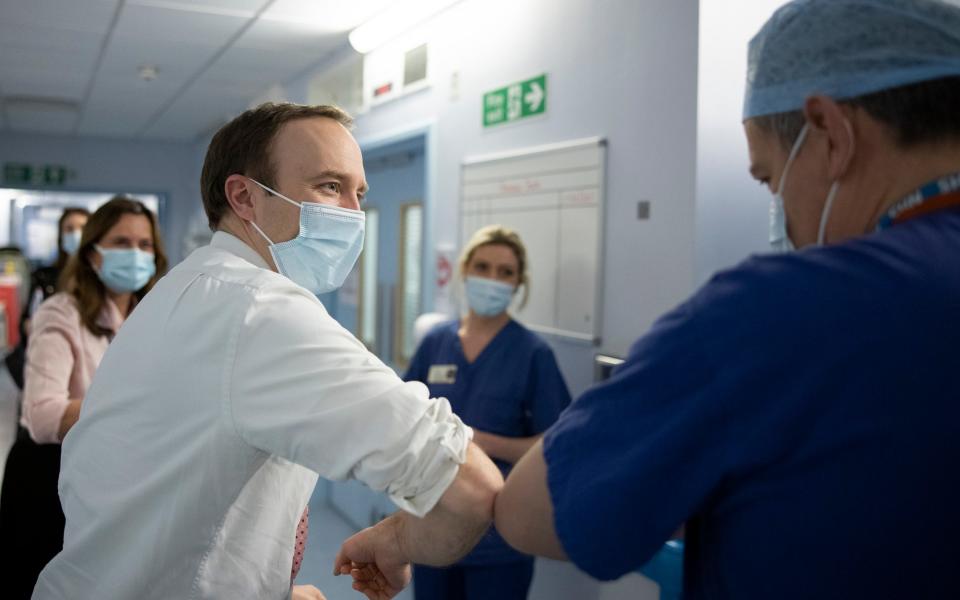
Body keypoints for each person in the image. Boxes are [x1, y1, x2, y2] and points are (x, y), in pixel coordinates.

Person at [494, 1, 960, 599]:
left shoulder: (778, 311)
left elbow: (532, 511)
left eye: (769, 179)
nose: (786, 221)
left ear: (830, 133)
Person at [33, 103, 503, 600]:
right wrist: (397, 538)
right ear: (244, 197)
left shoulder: (182, 291)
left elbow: (166, 497)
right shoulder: (261, 312)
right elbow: (469, 491)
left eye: (359, 193)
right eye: (329, 187)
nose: (353, 215)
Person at [0, 198, 165, 599]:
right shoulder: (62, 312)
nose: (135, 254)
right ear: (93, 253)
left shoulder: (152, 316)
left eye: (144, 245)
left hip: (111, 473)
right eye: (122, 242)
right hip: (48, 473)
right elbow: (42, 415)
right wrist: (133, 410)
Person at [404, 225, 571, 600]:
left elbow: (555, 442)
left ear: (518, 283)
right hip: (430, 520)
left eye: (505, 272)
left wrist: (475, 439)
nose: (492, 279)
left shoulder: (533, 353)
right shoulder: (436, 342)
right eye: (482, 266)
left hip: (499, 533)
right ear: (465, 271)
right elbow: (405, 412)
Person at [3, 207, 89, 391]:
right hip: (46, 365)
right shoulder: (45, 277)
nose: (76, 234)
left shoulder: (101, 280)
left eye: (82, 228)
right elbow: (24, 322)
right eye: (69, 229)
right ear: (60, 235)